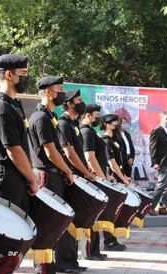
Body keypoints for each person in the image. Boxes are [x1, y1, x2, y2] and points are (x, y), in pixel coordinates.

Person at [28, 75, 74, 274]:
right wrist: (67, 170)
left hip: (54, 174)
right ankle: (43, 268)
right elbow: (50, 152)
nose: (62, 93)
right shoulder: (40, 117)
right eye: (59, 89)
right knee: (47, 222)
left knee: (55, 222)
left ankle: (49, 265)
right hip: (46, 174)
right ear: (48, 92)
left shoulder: (50, 116)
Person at [0, 53, 39, 212]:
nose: (27, 78)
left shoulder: (12, 105)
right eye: (23, 74)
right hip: (5, 179)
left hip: (15, 177)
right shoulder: (2, 108)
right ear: (8, 74)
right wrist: (32, 179)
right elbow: (14, 150)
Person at [57, 89, 96, 273]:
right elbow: (69, 154)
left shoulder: (73, 124)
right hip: (69, 178)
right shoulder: (63, 123)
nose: (81, 103)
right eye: (79, 100)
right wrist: (85, 172)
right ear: (70, 103)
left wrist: (86, 171)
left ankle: (72, 260)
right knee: (67, 223)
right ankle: (64, 262)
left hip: (78, 176)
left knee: (74, 220)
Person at [80, 104, 109, 260]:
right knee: (92, 216)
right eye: (95, 115)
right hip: (93, 179)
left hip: (98, 177)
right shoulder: (86, 132)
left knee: (96, 216)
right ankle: (90, 252)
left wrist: (105, 175)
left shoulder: (92, 132)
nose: (98, 118)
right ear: (87, 116)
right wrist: (101, 177)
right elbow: (89, 157)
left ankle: (95, 250)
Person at [100, 113, 130, 251]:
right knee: (111, 211)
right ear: (107, 124)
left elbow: (119, 161)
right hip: (113, 179)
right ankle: (108, 240)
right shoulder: (106, 141)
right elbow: (112, 163)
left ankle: (113, 238)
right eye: (114, 123)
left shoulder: (115, 139)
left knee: (116, 211)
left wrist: (124, 176)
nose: (117, 125)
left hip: (119, 177)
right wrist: (122, 178)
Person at [149, 110, 167, 216]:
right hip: (162, 162)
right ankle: (151, 207)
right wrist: (155, 162)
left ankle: (163, 207)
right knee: (160, 185)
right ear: (162, 119)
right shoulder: (156, 131)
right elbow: (153, 147)